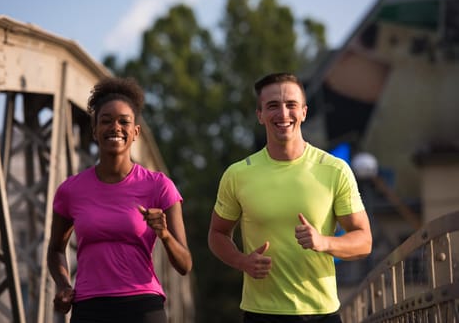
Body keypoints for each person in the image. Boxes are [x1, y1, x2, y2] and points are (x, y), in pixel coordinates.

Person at [208, 72, 372, 323]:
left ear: (304, 112)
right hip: (261, 314)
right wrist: (242, 261)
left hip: (321, 313)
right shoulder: (237, 174)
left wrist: (323, 242)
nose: (283, 114)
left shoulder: (334, 169)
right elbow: (217, 234)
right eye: (272, 106)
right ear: (260, 115)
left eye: (291, 105)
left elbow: (364, 241)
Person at [47, 76, 192, 323]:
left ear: (135, 132)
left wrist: (164, 234)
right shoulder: (70, 190)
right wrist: (63, 285)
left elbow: (184, 264)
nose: (115, 127)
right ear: (94, 130)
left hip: (143, 307)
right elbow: (56, 250)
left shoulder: (159, 185)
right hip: (89, 307)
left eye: (124, 122)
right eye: (106, 121)